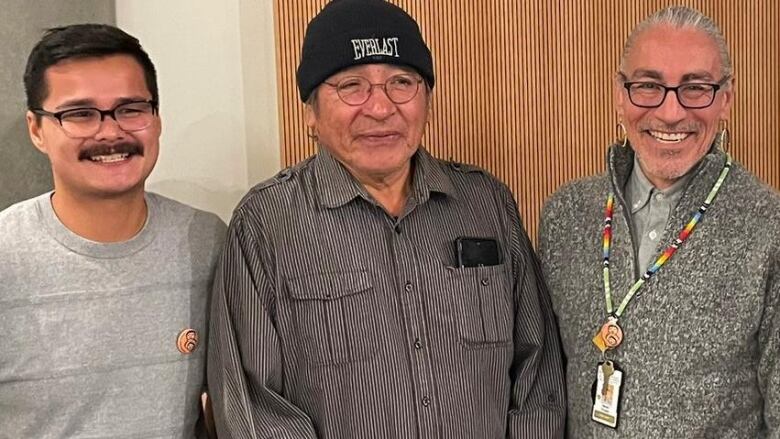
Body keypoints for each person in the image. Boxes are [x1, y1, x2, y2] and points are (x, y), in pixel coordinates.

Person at [207, 0, 566, 437]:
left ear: (426, 99)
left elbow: (538, 371)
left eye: (401, 82)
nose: (380, 108)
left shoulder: (487, 203)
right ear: (310, 111)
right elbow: (251, 408)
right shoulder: (265, 224)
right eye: (352, 85)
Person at [539, 5, 780, 437]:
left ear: (726, 98)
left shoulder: (770, 228)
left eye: (695, 88)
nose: (670, 113)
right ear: (619, 94)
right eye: (648, 86)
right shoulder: (565, 216)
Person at [0, 24, 226, 437]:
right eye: (80, 114)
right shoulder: (6, 254)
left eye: (131, 109)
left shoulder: (206, 240)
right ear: (37, 129)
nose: (110, 131)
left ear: (156, 118)